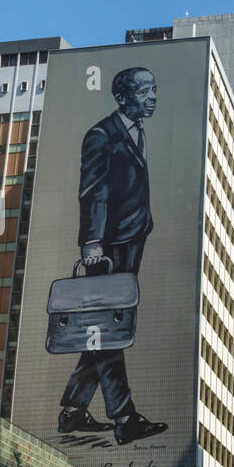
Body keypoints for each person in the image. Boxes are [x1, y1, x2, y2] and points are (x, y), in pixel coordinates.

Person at [55, 67, 167, 446]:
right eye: (144, 91)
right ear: (122, 97)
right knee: (107, 328)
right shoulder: (101, 136)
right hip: (108, 247)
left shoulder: (137, 131)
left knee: (105, 326)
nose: (153, 97)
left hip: (133, 237)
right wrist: (91, 243)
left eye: (154, 89)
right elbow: (93, 192)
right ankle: (123, 416)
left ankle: (72, 411)